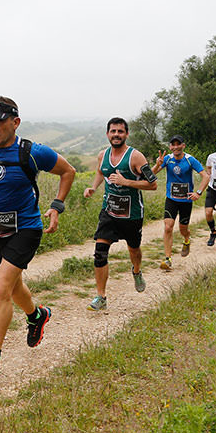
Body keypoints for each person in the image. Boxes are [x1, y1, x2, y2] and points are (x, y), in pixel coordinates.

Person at [0, 96, 75, 384]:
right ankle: (37, 315)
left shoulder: (32, 152)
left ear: (15, 122)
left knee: (0, 290)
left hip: (26, 229)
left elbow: (68, 171)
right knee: (13, 285)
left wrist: (57, 206)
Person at [82, 118, 157, 309]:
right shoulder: (102, 155)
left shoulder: (136, 157)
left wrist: (127, 182)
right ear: (107, 134)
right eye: (113, 131)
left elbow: (153, 184)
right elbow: (101, 171)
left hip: (132, 215)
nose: (116, 134)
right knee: (99, 253)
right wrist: (93, 187)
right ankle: (101, 297)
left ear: (126, 134)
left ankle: (137, 271)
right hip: (109, 212)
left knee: (133, 249)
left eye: (120, 131)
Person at [152, 134, 210, 271]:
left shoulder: (190, 160)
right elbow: (151, 175)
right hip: (171, 199)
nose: (176, 147)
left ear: (183, 145)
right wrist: (157, 165)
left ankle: (187, 240)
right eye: (173, 144)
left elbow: (206, 176)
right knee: (168, 227)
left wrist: (198, 192)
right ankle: (168, 259)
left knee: (183, 229)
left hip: (186, 200)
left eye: (179, 144)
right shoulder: (167, 159)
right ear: (170, 146)